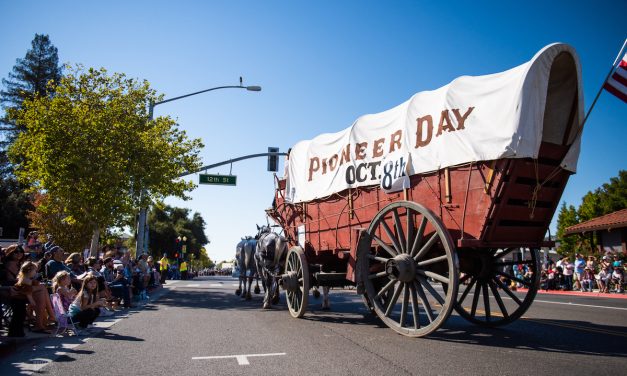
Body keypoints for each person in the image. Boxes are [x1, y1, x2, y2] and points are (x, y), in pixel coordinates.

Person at [14, 261, 56, 333]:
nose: (36, 272)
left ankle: (49, 317)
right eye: (35, 271)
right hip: (24, 297)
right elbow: (27, 292)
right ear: (29, 270)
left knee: (43, 289)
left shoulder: (27, 278)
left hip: (30, 295)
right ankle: (46, 319)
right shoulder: (25, 280)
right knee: (42, 291)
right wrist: (31, 300)